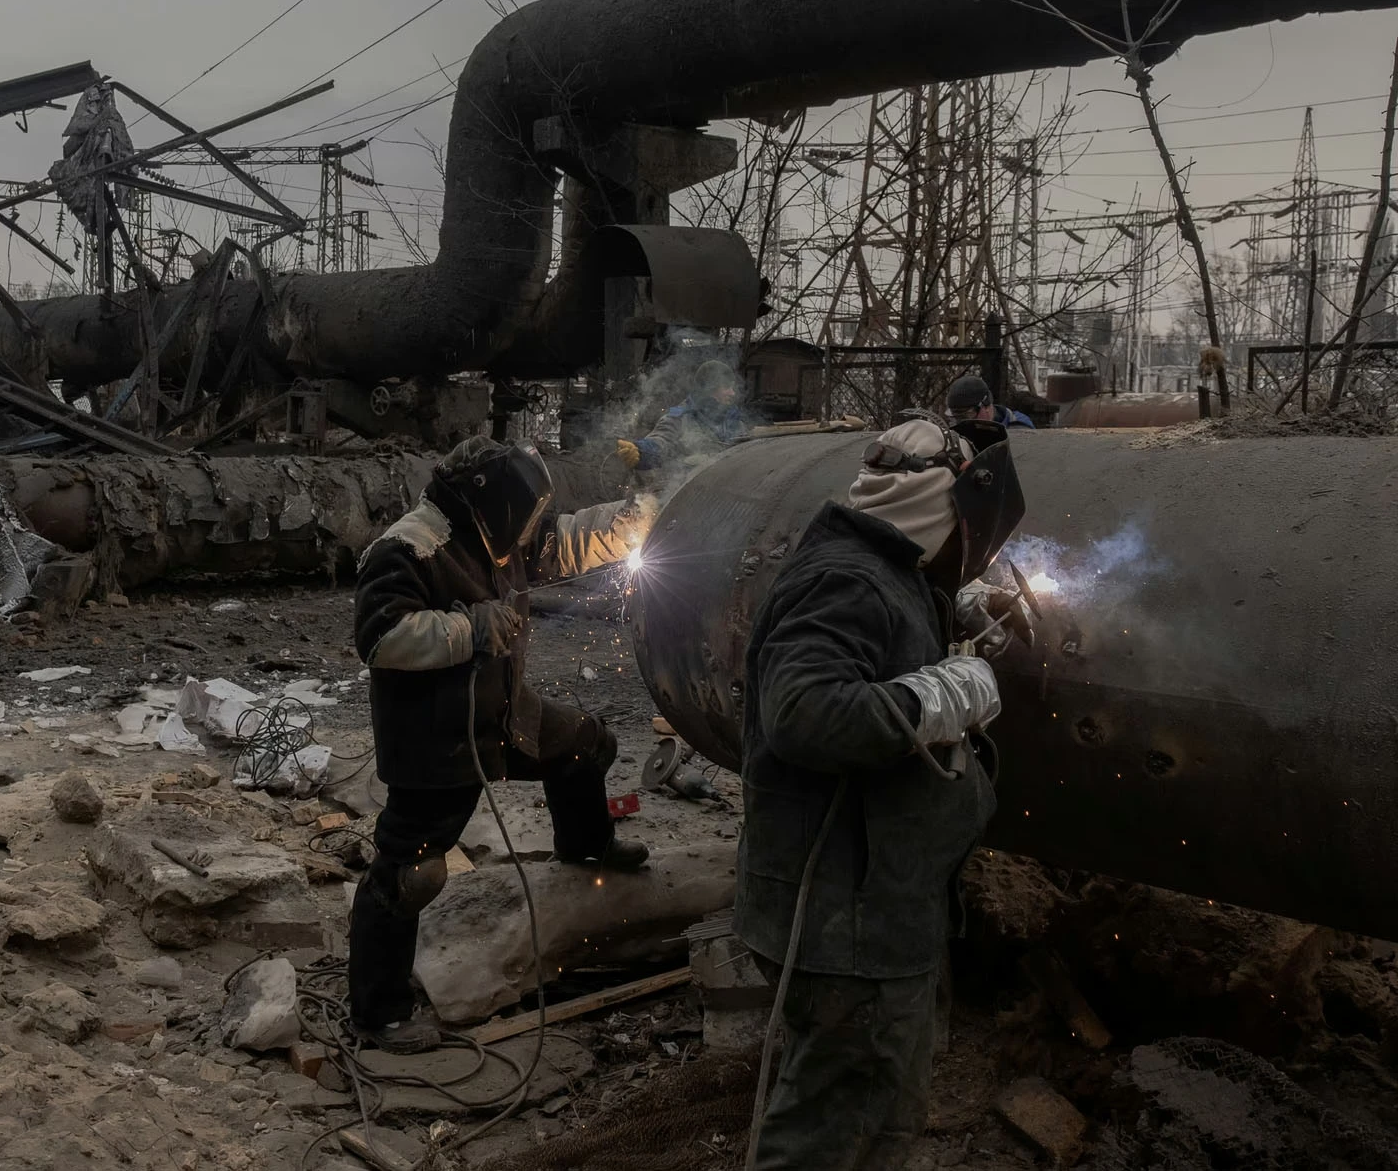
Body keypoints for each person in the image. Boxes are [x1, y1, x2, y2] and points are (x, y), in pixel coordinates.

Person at [737, 412, 1027, 1170]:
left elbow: (878, 633)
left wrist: (953, 607)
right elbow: (803, 712)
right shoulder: (846, 579)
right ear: (939, 512)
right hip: (846, 922)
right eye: (968, 538)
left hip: (876, 911)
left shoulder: (873, 564)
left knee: (880, 1116)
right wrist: (941, 695)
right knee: (828, 1136)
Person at [350, 436, 658, 1052]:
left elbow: (565, 541)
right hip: (439, 740)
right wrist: (470, 628)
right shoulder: (411, 548)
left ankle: (586, 846)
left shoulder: (499, 532)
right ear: (484, 501)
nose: (526, 534)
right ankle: (378, 1013)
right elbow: (380, 637)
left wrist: (638, 518)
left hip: (506, 714)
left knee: (588, 744)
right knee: (411, 873)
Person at [614, 359, 751, 471]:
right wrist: (640, 451)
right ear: (711, 388)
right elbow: (661, 441)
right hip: (692, 492)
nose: (732, 393)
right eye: (727, 387)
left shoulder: (735, 421)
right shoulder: (680, 417)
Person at [945, 374, 1034, 429]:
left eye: (967, 415)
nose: (963, 423)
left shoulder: (1018, 428)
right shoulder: (956, 432)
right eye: (956, 417)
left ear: (986, 405)